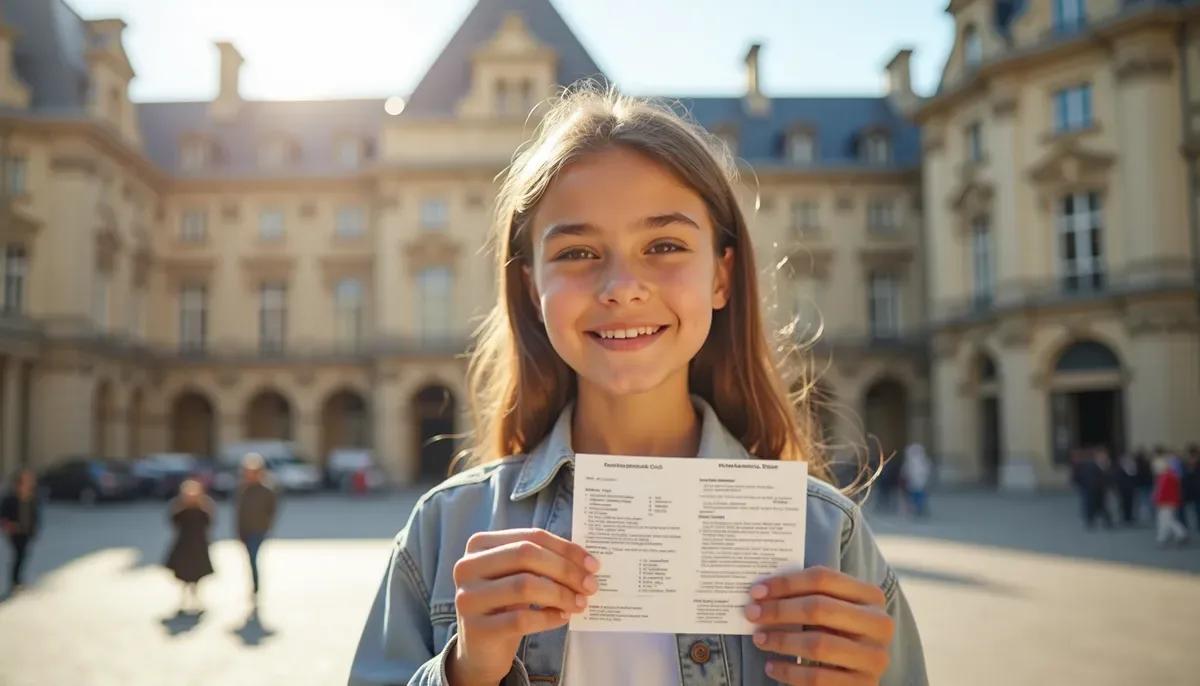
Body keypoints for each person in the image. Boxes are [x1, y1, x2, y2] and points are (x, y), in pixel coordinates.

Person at [348, 87, 927, 686]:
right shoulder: (445, 528)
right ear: (531, 289)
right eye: (577, 252)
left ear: (721, 276)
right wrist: (464, 672)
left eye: (664, 245)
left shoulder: (828, 534)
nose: (622, 286)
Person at [164, 479, 215, 613]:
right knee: (184, 576)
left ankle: (196, 599)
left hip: (198, 547)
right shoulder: (181, 510)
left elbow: (209, 523)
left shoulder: (203, 510)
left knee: (197, 576)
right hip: (184, 547)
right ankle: (185, 600)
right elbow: (173, 521)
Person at [235, 453, 278, 603]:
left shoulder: (266, 491)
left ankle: (255, 587)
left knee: (253, 558)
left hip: (258, 530)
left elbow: (272, 510)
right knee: (249, 559)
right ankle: (253, 584)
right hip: (245, 530)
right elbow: (239, 512)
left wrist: (266, 526)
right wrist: (238, 531)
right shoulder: (243, 490)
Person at [0, 469, 40, 595]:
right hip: (15, 532)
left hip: (27, 531)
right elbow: (3, 515)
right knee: (19, 554)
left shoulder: (31, 497)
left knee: (23, 555)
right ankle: (14, 581)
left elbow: (35, 515)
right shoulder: (10, 498)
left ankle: (18, 580)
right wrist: (8, 525)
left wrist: (35, 529)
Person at [1152, 456, 1188, 547]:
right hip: (1169, 502)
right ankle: (1166, 537)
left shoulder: (1166, 477)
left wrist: (1158, 501)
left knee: (1165, 520)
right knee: (1167, 520)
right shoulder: (1170, 476)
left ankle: (1177, 535)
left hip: (1166, 503)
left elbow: (1162, 492)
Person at [902, 443, 932, 518]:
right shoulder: (912, 461)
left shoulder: (923, 461)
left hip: (919, 482)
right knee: (916, 497)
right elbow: (905, 472)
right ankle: (918, 509)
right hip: (914, 483)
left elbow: (927, 471)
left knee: (919, 497)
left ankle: (919, 509)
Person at [1112, 450, 1138, 525]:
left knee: (1130, 503)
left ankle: (1129, 516)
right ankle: (1124, 517)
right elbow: (1117, 479)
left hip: (1130, 489)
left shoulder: (1131, 467)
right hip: (1122, 489)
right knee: (1122, 503)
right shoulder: (1118, 468)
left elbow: (1134, 477)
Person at [1182, 445, 1200, 531]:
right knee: (1187, 509)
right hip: (1189, 490)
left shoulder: (1194, 464)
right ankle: (1185, 525)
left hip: (1195, 490)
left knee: (1197, 509)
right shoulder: (1185, 464)